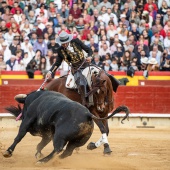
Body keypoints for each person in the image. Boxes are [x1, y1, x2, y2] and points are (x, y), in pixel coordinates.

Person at [46, 31, 93, 106]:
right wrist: (50, 72)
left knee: (100, 75)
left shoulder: (76, 41)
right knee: (81, 82)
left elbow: (89, 50)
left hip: (85, 64)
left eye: (65, 42)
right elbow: (57, 63)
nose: (64, 44)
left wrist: (90, 56)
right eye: (62, 43)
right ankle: (85, 101)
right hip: (76, 69)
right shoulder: (60, 50)